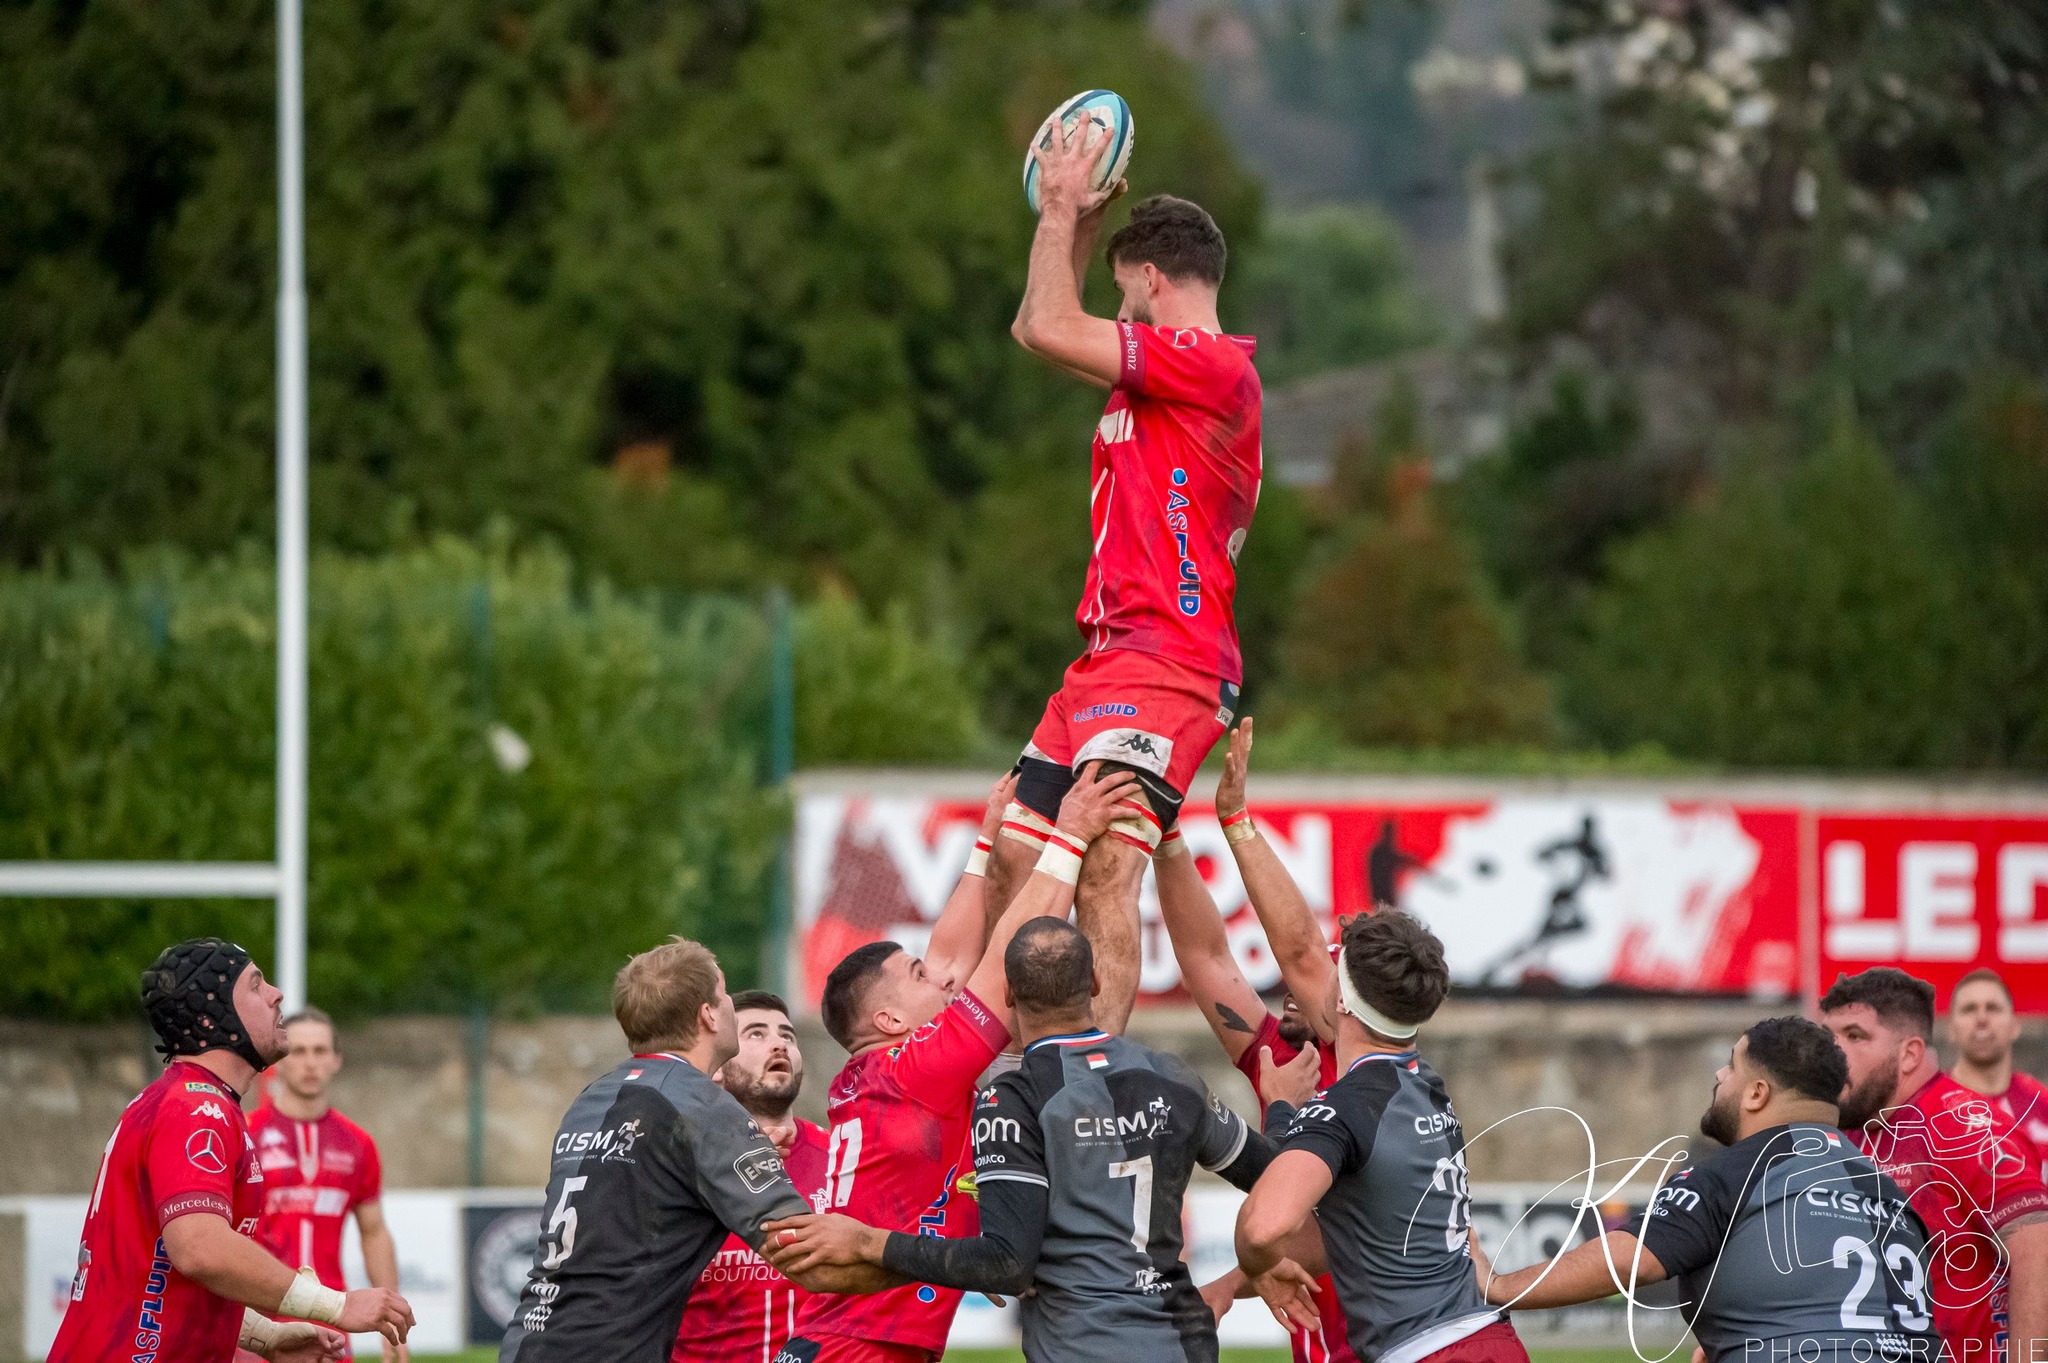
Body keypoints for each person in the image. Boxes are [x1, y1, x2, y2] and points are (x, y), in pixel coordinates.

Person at [982, 109, 1264, 1039]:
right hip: (1106, 657)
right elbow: (1036, 325)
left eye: (1124, 293)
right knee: (1018, 865)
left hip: (1169, 657)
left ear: (1150, 281)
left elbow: (1053, 321)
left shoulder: (1210, 367)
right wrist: (1079, 225)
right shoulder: (1159, 375)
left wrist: (1063, 205)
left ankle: (1090, 1080)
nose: (1121, 312)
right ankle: (1033, 1077)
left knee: (1105, 864)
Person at [765, 916, 1278, 1363]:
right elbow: (1277, 1182)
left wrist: (866, 1240)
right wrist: (1282, 1107)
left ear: (1008, 995)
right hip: (1182, 1341)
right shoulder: (1173, 1078)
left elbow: (1007, 1264)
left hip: (1079, 1345)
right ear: (1096, 981)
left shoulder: (1011, 1099)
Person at [787, 766, 1141, 1363]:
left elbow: (952, 959)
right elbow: (1009, 960)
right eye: (919, 977)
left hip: (855, 1339)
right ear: (891, 1022)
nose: (945, 981)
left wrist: (984, 841)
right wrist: (1071, 836)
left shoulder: (874, 1078)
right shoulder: (914, 1074)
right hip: (857, 1349)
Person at [499, 938, 889, 1362]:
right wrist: (940, 1261)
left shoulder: (592, 1098)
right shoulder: (700, 1106)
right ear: (708, 1015)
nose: (728, 1005)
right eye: (723, 995)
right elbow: (813, 1262)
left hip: (527, 1344)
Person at [1479, 1017, 1939, 1363]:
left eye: (1731, 1065)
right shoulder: (1884, 1187)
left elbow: (1627, 1259)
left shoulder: (1739, 1170)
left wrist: (1499, 1285)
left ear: (1757, 1093)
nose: (1720, 1077)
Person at [51, 937, 414, 1363]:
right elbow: (201, 1249)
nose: (277, 994)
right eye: (257, 986)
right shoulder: (197, 1108)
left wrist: (265, 1341)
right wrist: (338, 1305)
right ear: (216, 1017)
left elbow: (169, 1276)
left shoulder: (195, 1101)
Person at [1237, 910, 1530, 1363]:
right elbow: (1344, 1234)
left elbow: (1263, 1226)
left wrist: (1280, 1109)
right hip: (1493, 1340)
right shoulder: (1428, 1087)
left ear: (1342, 1001)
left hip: (1427, 1352)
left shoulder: (1345, 1109)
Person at [1150, 722, 1357, 1363]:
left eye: (1315, 977)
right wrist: (1167, 837)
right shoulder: (1281, 1054)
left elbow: (1338, 1233)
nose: (1290, 989)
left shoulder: (1371, 1080)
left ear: (1351, 1005)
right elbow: (1207, 957)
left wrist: (1225, 1283)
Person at [1823, 967, 2048, 1363]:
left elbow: (2037, 1249)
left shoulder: (1963, 1125)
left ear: (1909, 1053)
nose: (1834, 1052)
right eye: (1831, 1037)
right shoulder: (1854, 1128)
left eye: (1855, 1036)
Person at [672, 989, 828, 1363]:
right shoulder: (677, 1163)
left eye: (787, 1035)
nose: (779, 1044)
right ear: (719, 1065)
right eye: (756, 1034)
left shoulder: (843, 1155)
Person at [246, 1008, 405, 1363]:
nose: (310, 1063)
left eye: (320, 1051)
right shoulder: (245, 1135)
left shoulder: (357, 1144)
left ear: (336, 1060)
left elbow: (374, 1231)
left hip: (332, 1320)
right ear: (280, 1061)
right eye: (298, 1051)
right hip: (258, 1321)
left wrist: (391, 1322)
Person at [1948, 968, 2048, 1177]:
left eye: (1993, 1008)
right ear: (1951, 1029)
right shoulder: (1923, 1109)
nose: (1982, 1019)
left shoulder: (2042, 1103)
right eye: (1969, 1009)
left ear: (2015, 1025)